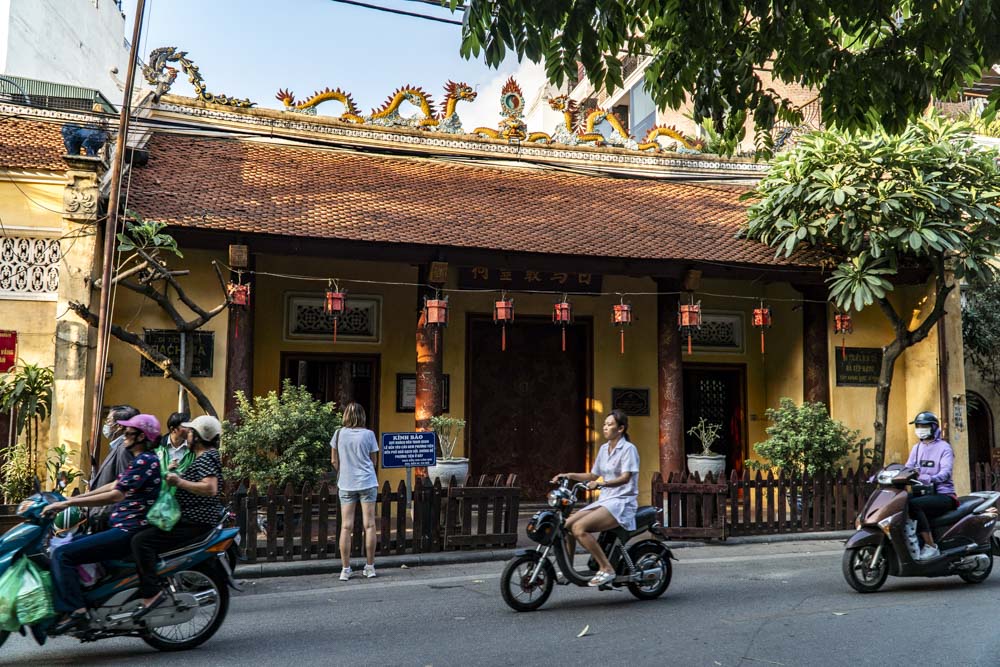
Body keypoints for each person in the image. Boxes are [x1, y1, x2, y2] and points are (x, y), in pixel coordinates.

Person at [45, 414, 162, 633]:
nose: (124, 435)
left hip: (127, 530)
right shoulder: (140, 460)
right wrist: (72, 500)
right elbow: (112, 485)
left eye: (129, 432)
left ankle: (76, 611)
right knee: (69, 543)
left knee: (63, 555)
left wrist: (68, 503)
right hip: (121, 526)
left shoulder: (145, 460)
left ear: (141, 436)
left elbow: (116, 495)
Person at [131, 415, 225, 619]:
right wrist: (176, 474)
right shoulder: (203, 457)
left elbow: (210, 488)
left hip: (194, 521)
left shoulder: (207, 456)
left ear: (198, 437)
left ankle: (151, 593)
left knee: (141, 541)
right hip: (188, 518)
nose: (187, 435)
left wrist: (179, 482)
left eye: (191, 433)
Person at [550, 409, 640, 587]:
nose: (605, 428)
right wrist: (568, 475)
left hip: (621, 501)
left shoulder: (629, 449)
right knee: (566, 525)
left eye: (610, 425)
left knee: (579, 528)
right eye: (605, 424)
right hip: (605, 501)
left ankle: (606, 568)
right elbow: (592, 475)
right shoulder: (604, 448)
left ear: (620, 428)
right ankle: (569, 570)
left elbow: (625, 478)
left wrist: (601, 484)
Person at [330, 402, 379, 581]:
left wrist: (345, 472)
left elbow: (334, 461)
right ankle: (370, 566)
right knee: (370, 525)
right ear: (362, 416)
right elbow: (373, 460)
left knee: (346, 526)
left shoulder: (338, 434)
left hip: (346, 483)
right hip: (367, 481)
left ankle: (345, 569)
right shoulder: (369, 434)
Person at [906, 411, 957, 560]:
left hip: (944, 495)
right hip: (923, 493)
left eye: (924, 426)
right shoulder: (916, 448)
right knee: (900, 502)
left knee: (914, 505)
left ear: (934, 427)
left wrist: (929, 478)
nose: (920, 429)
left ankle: (931, 546)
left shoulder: (944, 447)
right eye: (918, 426)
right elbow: (907, 468)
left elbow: (946, 473)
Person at [90, 405, 139, 489]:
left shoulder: (124, 450)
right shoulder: (117, 446)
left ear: (119, 426)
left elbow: (123, 487)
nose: (106, 425)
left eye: (109, 421)